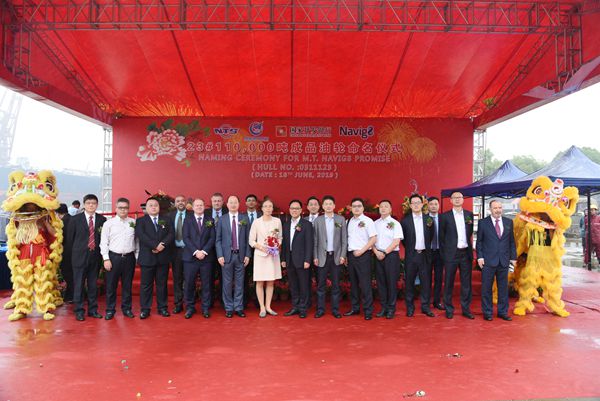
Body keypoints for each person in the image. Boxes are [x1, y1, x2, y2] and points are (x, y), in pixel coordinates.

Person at [67, 194, 106, 321]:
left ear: (97, 205)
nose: (91, 205)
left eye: (93, 203)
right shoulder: (75, 219)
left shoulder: (102, 220)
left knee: (93, 285)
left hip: (95, 257)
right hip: (79, 257)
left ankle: (93, 310)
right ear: (84, 204)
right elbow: (70, 240)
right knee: (78, 285)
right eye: (88, 203)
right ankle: (79, 310)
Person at [476, 200, 517, 321]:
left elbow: (511, 242)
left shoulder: (508, 222)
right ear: (490, 209)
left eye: (500, 207)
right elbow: (479, 242)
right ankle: (487, 312)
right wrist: (480, 257)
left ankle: (502, 312)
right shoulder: (483, 223)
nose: (498, 210)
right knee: (486, 288)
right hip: (488, 261)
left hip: (504, 260)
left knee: (503, 288)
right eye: (495, 208)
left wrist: (513, 258)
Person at [135, 197, 174, 319]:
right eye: (150, 205)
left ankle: (162, 308)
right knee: (146, 285)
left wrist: (162, 245)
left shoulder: (166, 219)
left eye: (155, 205)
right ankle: (145, 309)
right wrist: (155, 245)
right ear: (146, 208)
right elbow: (142, 235)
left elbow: (171, 234)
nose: (153, 207)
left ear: (159, 207)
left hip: (163, 257)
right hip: (147, 257)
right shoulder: (140, 221)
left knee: (162, 285)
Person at [100, 197, 137, 320]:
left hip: (129, 257)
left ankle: (127, 309)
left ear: (128, 209)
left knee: (127, 286)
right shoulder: (108, 223)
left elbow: (136, 241)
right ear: (116, 209)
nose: (123, 210)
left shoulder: (133, 222)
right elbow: (104, 242)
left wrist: (136, 256)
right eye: (120, 208)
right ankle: (110, 310)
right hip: (113, 257)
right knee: (111, 286)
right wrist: (106, 259)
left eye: (125, 208)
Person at [440, 191, 475, 319]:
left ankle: (466, 309)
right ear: (450, 200)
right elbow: (441, 237)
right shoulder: (444, 217)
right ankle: (449, 309)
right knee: (448, 282)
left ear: (463, 199)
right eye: (454, 198)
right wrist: (445, 254)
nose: (457, 199)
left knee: (466, 283)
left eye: (459, 197)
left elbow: (470, 232)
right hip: (451, 254)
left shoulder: (469, 215)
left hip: (465, 253)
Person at [216, 196, 251, 318]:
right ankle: (229, 308)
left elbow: (248, 238)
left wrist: (247, 254)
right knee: (226, 283)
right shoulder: (222, 219)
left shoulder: (244, 218)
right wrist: (220, 255)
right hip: (226, 256)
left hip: (240, 256)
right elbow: (218, 240)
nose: (233, 204)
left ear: (239, 204)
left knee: (240, 283)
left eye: (235, 202)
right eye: (231, 202)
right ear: (227, 204)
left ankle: (239, 307)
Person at [401, 194, 435, 317]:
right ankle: (410, 308)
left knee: (426, 282)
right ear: (410, 205)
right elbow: (403, 239)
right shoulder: (405, 221)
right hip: (411, 255)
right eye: (413, 203)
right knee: (409, 282)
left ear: (422, 204)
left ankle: (425, 307)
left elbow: (431, 236)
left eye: (418, 202)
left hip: (425, 255)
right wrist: (412, 249)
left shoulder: (428, 219)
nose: (416, 205)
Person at [313, 195, 347, 318]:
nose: (328, 206)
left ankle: (335, 310)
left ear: (334, 206)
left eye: (330, 204)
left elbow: (344, 239)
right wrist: (315, 256)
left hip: (336, 257)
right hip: (322, 257)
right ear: (322, 206)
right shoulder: (318, 221)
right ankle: (320, 310)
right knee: (321, 286)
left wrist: (343, 255)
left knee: (336, 285)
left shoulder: (340, 219)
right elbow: (315, 240)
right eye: (326, 204)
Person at [182, 198, 216, 318]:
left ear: (204, 206)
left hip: (206, 258)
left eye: (201, 205)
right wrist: (196, 252)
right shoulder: (187, 219)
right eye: (197, 205)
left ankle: (205, 308)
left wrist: (204, 251)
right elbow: (185, 237)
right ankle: (190, 307)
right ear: (193, 207)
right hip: (191, 258)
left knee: (206, 284)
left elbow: (212, 237)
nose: (199, 207)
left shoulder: (210, 220)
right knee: (189, 284)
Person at [248, 199, 282, 318]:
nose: (268, 208)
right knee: (260, 282)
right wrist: (262, 248)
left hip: (272, 256)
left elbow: (280, 237)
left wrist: (276, 245)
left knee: (271, 282)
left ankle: (268, 306)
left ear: (272, 208)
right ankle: (262, 307)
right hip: (260, 256)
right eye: (266, 206)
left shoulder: (277, 221)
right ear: (261, 208)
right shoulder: (256, 222)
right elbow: (251, 240)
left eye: (270, 206)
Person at [345, 197, 377, 320]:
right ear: (351, 208)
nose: (356, 208)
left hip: (363, 256)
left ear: (363, 208)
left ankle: (368, 310)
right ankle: (355, 308)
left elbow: (373, 239)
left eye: (359, 206)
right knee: (353, 284)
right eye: (354, 206)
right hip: (351, 256)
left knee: (365, 284)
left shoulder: (368, 221)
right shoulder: (348, 221)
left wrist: (361, 251)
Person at [281, 200, 314, 318]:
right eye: (292, 208)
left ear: (301, 210)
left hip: (302, 260)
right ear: (289, 210)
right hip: (289, 259)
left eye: (296, 208)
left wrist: (307, 260)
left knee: (304, 285)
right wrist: (283, 259)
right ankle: (295, 307)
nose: (294, 210)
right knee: (293, 285)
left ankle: (303, 308)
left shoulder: (307, 224)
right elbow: (285, 244)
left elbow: (309, 244)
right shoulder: (286, 224)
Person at [373, 200, 403, 319]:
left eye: (386, 206)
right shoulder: (374, 223)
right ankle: (383, 307)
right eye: (381, 206)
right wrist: (376, 252)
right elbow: (371, 240)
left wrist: (384, 252)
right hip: (377, 255)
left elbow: (396, 241)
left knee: (391, 282)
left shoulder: (395, 223)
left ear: (390, 209)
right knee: (380, 283)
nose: (383, 208)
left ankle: (391, 308)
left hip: (390, 256)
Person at [204, 192, 228, 308]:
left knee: (224, 277)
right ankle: (210, 301)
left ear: (223, 202)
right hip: (208, 250)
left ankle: (224, 301)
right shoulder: (205, 213)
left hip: (224, 250)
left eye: (219, 201)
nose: (217, 203)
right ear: (211, 202)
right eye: (215, 201)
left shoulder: (228, 212)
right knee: (209, 277)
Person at [169, 195, 190, 314]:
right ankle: (178, 304)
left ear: (186, 202)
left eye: (182, 200)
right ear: (175, 203)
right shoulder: (170, 216)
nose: (180, 203)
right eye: (178, 201)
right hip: (175, 251)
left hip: (189, 250)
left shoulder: (192, 215)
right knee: (177, 278)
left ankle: (189, 303)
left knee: (189, 278)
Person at [243, 194, 262, 308]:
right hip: (244, 251)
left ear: (256, 203)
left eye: (253, 200)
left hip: (259, 250)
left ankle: (258, 300)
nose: (251, 202)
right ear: (245, 203)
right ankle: (244, 300)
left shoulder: (262, 216)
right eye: (248, 200)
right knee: (244, 276)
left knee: (258, 276)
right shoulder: (241, 217)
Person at [427, 196, 445, 310]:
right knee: (427, 278)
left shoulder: (444, 219)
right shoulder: (424, 218)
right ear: (428, 206)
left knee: (439, 278)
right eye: (431, 204)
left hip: (440, 252)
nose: (433, 206)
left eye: (435, 204)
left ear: (438, 206)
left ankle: (437, 301)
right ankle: (426, 301)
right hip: (427, 252)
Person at [304, 196, 320, 309]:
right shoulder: (303, 220)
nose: (313, 206)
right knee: (305, 279)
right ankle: (307, 302)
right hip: (306, 254)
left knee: (320, 279)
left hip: (320, 254)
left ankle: (320, 304)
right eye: (311, 204)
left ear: (319, 206)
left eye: (315, 204)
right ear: (308, 207)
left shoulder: (324, 219)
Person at [56, 203, 74, 303]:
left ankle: (72, 296)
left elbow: (60, 239)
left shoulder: (61, 223)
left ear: (58, 213)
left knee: (67, 273)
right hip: (75, 252)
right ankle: (70, 295)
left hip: (66, 252)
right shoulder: (74, 219)